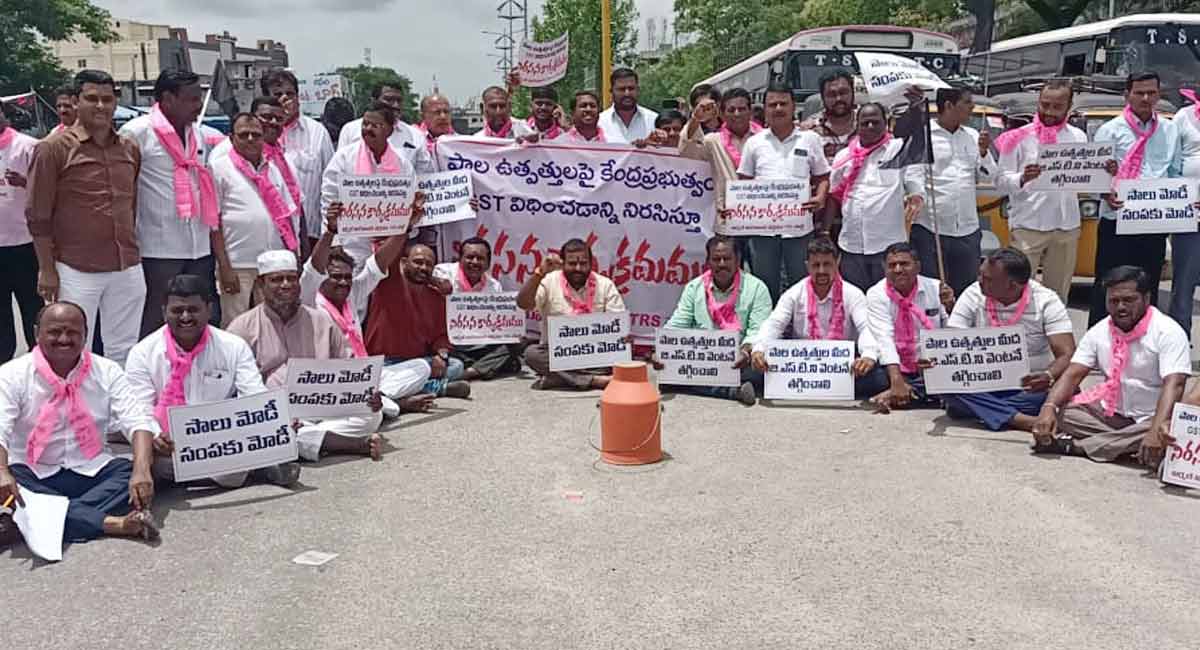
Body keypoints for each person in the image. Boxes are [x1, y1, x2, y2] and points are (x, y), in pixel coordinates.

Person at [0, 302, 159, 544]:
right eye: (54, 332)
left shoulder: (107, 370)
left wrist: (141, 471)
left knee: (137, 467)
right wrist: (2, 473)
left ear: (85, 335)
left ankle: (31, 519)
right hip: (32, 472)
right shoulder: (12, 374)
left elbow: (137, 420)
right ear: (36, 333)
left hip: (91, 469)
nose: (64, 339)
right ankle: (113, 524)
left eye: (73, 332)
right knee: (7, 481)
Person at [125, 275, 299, 488]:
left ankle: (201, 476)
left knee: (255, 448)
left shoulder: (233, 346)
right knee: (145, 461)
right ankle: (256, 471)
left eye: (193, 309)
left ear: (209, 309)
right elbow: (138, 411)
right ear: (163, 312)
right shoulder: (142, 353)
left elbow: (254, 394)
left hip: (221, 442)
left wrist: (277, 420)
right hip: (168, 446)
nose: (186, 317)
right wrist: (155, 436)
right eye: (177, 311)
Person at [26, 69, 145, 366]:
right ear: (76, 102)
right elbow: (37, 216)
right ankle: (74, 411)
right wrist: (46, 269)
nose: (101, 106)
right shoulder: (52, 149)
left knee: (125, 348)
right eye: (92, 98)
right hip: (76, 268)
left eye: (107, 99)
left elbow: (132, 205)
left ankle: (118, 409)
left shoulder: (129, 148)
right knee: (73, 348)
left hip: (126, 265)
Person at [229, 251, 386, 462]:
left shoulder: (321, 321)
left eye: (291, 279)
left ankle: (305, 438)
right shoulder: (242, 327)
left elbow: (350, 371)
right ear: (260, 284)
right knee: (263, 428)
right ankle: (348, 444)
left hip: (324, 408)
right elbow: (234, 391)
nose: (285, 285)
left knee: (372, 415)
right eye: (276, 279)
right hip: (275, 414)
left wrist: (367, 395)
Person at [1032, 265, 1190, 466]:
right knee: (1063, 411)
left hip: (1154, 417)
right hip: (1112, 415)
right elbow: (1073, 373)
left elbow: (1174, 384)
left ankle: (1080, 447)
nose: (1121, 307)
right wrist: (1048, 407)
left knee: (1175, 429)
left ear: (1146, 298)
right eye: (1114, 301)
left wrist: (1154, 429)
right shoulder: (1099, 331)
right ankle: (1127, 445)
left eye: (1129, 300)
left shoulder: (1168, 332)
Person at [119, 69, 221, 338]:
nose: (198, 105)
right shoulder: (136, 132)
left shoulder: (197, 133)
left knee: (199, 317)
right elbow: (124, 190)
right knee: (157, 317)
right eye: (191, 99)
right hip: (157, 247)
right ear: (167, 98)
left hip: (198, 244)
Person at [301, 209, 435, 413]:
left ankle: (380, 399)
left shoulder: (352, 293)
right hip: (333, 382)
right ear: (323, 277)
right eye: (336, 277)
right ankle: (394, 404)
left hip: (365, 374)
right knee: (379, 410)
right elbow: (313, 268)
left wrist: (405, 227)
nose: (343, 282)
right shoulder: (310, 300)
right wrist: (330, 232)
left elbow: (378, 263)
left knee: (422, 368)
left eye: (347, 277)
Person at [941, 248, 1076, 432]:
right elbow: (950, 342)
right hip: (980, 381)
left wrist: (1048, 375)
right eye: (980, 275)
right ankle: (1020, 420)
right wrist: (936, 360)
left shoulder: (1046, 301)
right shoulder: (973, 293)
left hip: (1028, 386)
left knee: (1065, 392)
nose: (980, 281)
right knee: (944, 385)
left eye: (988, 279)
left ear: (1012, 285)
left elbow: (1067, 354)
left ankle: (979, 409)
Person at [1089, 72, 1182, 327]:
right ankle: (1100, 345)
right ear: (1127, 95)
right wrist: (1105, 192)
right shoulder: (1109, 130)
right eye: (1139, 92)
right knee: (1108, 283)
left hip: (1152, 221)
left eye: (1151, 92)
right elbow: (1095, 175)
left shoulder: (1169, 129)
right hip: (1116, 218)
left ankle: (1143, 340)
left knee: (1147, 283)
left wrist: (1183, 200)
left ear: (1158, 95)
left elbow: (1174, 173)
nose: (1145, 98)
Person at [750, 237, 888, 399]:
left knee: (880, 379)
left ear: (837, 262)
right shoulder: (794, 293)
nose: (821, 270)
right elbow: (775, 324)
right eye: (816, 265)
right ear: (807, 266)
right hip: (800, 366)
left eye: (827, 264)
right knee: (752, 371)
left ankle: (818, 388)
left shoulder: (853, 294)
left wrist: (868, 355)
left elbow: (866, 327)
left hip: (843, 367)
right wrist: (759, 349)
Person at [993, 80, 1089, 303]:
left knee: (1058, 297)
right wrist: (1023, 178)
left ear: (1069, 106)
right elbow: (999, 180)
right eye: (1045, 105)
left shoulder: (1078, 137)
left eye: (1057, 107)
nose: (1049, 112)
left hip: (1067, 226)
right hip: (1029, 225)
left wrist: (1104, 170)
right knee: (1018, 294)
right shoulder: (1017, 137)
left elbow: (1085, 176)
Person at [736, 81, 831, 303]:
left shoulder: (810, 139)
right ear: (765, 109)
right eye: (772, 104)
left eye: (783, 103)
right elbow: (744, 181)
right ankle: (767, 331)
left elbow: (823, 176)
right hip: (762, 230)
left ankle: (802, 330)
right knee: (764, 284)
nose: (778, 109)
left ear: (792, 107)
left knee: (801, 282)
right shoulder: (754, 143)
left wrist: (820, 198)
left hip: (799, 228)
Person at [209, 113, 301, 325]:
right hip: (238, 262)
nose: (251, 139)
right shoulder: (219, 168)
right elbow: (214, 223)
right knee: (235, 323)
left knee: (273, 322)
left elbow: (287, 217)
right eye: (244, 135)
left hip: (272, 263)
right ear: (231, 138)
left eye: (256, 135)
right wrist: (224, 267)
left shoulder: (273, 169)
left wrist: (294, 257)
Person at [659, 235, 772, 404]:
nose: (721, 264)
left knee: (762, 366)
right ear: (708, 261)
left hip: (740, 359)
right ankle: (732, 391)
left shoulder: (757, 288)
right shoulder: (694, 287)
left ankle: (688, 384)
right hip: (702, 359)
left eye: (726, 259)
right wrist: (660, 348)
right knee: (669, 364)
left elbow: (758, 332)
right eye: (716, 259)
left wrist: (746, 352)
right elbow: (677, 324)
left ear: (738, 259)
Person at [829, 100, 927, 291]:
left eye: (876, 122)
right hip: (851, 246)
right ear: (857, 126)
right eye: (865, 123)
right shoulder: (844, 157)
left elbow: (914, 178)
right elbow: (834, 194)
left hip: (888, 249)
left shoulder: (899, 150)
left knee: (889, 302)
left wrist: (916, 195)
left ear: (886, 123)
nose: (870, 126)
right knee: (855, 303)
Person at [912, 86, 996, 297]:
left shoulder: (973, 135)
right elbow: (913, 173)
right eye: (967, 102)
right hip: (931, 228)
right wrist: (917, 196)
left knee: (967, 292)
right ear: (948, 105)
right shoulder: (923, 134)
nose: (972, 107)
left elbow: (989, 175)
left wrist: (984, 153)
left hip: (966, 229)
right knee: (932, 292)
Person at [321, 103, 418, 276]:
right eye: (365, 124)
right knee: (355, 299)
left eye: (375, 125)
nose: (368, 129)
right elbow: (329, 201)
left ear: (389, 130)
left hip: (390, 248)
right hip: (351, 246)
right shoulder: (344, 158)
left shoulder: (402, 163)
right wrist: (334, 242)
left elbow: (410, 203)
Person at [365, 240, 471, 399]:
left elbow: (441, 336)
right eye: (418, 262)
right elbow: (387, 257)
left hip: (418, 363)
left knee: (456, 366)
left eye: (429, 264)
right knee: (387, 377)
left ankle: (408, 389)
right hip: (384, 364)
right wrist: (404, 228)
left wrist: (440, 356)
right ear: (403, 262)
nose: (424, 268)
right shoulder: (388, 285)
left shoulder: (436, 298)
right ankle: (434, 387)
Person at [517, 238, 626, 391]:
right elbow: (523, 304)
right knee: (532, 354)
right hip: (559, 354)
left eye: (583, 263)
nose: (578, 268)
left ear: (591, 263)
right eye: (572, 263)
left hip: (597, 355)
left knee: (620, 356)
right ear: (562, 263)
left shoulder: (605, 285)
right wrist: (539, 273)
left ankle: (560, 378)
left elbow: (618, 325)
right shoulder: (549, 281)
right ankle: (593, 380)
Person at [866, 242, 955, 412]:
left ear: (918, 267)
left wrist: (951, 306)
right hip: (894, 365)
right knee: (869, 378)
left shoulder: (937, 288)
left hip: (930, 364)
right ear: (884, 269)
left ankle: (899, 394)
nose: (898, 269)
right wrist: (896, 378)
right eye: (892, 265)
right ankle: (908, 391)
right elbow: (884, 338)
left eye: (904, 264)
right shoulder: (876, 293)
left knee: (953, 376)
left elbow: (952, 332)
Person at [432, 237, 523, 381]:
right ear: (460, 258)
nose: (474, 262)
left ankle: (470, 372)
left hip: (478, 342)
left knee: (516, 344)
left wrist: (510, 331)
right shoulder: (443, 272)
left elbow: (497, 323)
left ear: (488, 263)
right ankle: (486, 367)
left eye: (480, 258)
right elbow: (424, 280)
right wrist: (437, 283)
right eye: (469, 257)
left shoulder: (494, 286)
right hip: (449, 341)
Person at [262, 68, 334, 247]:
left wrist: (330, 234)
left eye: (290, 93)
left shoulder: (317, 133)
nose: (285, 99)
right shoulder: (256, 133)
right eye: (277, 94)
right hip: (269, 234)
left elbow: (332, 185)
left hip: (309, 232)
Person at [0, 106, 42, 362]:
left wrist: (25, 182)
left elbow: (49, 190)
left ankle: (39, 364)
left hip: (25, 245)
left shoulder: (29, 147)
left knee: (32, 308)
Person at [679, 87, 760, 219]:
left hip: (763, 218)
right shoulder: (713, 141)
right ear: (722, 113)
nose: (737, 114)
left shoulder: (765, 138)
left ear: (750, 111)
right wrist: (696, 118)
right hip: (727, 218)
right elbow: (686, 152)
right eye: (731, 110)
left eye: (742, 109)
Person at [336, 80, 434, 173]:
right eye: (389, 100)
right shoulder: (350, 130)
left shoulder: (415, 136)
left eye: (399, 101)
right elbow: (339, 169)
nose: (395, 105)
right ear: (373, 101)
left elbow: (423, 178)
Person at [1169, 85, 1200, 338]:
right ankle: (1180, 341)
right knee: (1183, 285)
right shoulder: (1182, 117)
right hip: (1189, 216)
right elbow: (1172, 162)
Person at [800, 70, 858, 165]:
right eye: (832, 95)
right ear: (822, 98)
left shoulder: (868, 123)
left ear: (853, 93)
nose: (838, 99)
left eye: (843, 93)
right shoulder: (809, 129)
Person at [597, 68, 658, 144]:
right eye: (621, 89)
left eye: (631, 88)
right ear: (611, 91)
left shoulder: (653, 120)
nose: (627, 93)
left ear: (638, 90)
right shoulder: (599, 122)